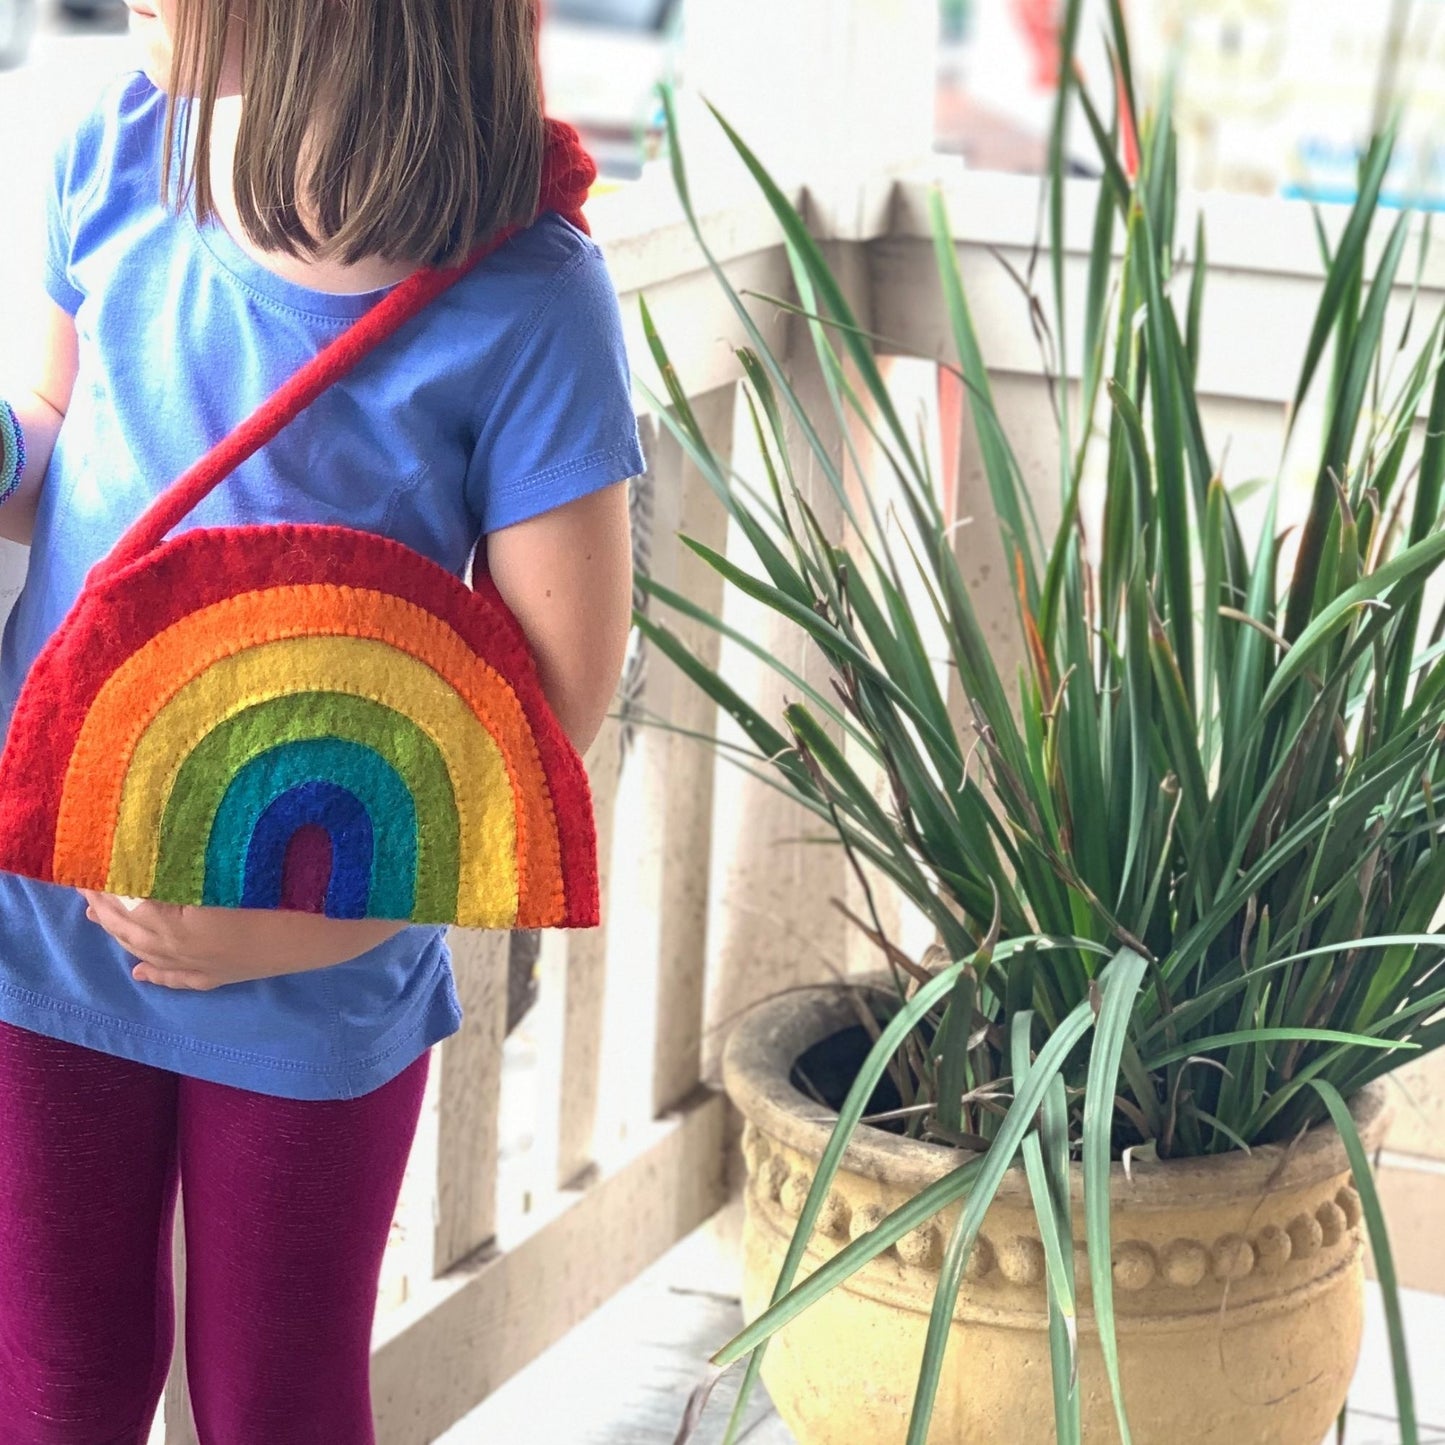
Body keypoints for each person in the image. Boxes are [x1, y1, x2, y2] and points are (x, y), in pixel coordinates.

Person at [0, 0, 642, 1439]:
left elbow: (552, 701)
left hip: (316, 965)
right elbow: (55, 445)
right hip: (40, 919)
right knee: (52, 1377)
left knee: (274, 1397)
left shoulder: (530, 295)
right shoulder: (113, 155)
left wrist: (309, 929)